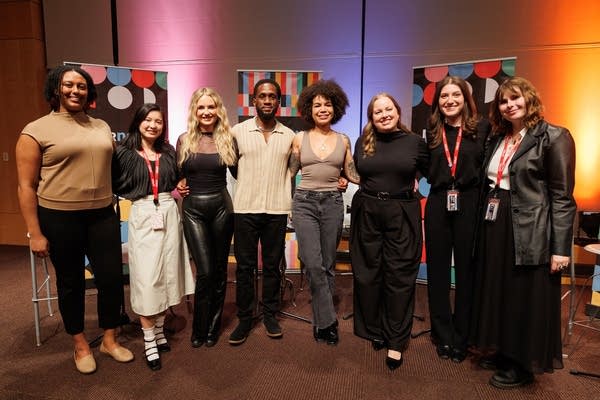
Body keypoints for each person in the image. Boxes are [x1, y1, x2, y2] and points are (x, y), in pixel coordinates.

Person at [15, 65, 134, 374]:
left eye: (81, 86)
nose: (75, 91)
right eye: (68, 85)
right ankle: (80, 344)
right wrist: (34, 233)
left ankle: (109, 338)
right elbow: (26, 186)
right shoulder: (35, 130)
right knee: (71, 283)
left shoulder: (101, 126)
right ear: (56, 88)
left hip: (102, 215)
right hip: (59, 217)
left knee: (110, 279)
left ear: (89, 92)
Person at [470, 77, 576, 389]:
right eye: (503, 101)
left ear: (529, 99)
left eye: (515, 98)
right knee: (500, 290)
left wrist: (560, 248)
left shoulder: (554, 136)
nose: (509, 105)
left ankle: (522, 364)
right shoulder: (498, 137)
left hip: (531, 228)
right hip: (496, 221)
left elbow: (562, 196)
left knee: (523, 295)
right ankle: (504, 350)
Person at [112, 103, 194, 371]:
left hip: (170, 212)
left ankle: (159, 331)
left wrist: (182, 186)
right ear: (138, 122)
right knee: (148, 278)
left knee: (169, 274)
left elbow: (178, 180)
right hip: (144, 212)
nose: (153, 125)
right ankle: (149, 341)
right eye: (148, 120)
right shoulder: (123, 153)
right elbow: (116, 183)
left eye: (158, 121)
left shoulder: (168, 151)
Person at [350, 93, 429, 370]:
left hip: (401, 213)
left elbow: (430, 170)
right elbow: (359, 172)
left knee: (399, 276)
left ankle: (396, 340)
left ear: (398, 111)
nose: (384, 114)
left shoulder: (415, 143)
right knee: (369, 272)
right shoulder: (363, 142)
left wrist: (415, 181)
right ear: (371, 117)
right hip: (368, 211)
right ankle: (375, 329)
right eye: (377, 111)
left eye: (388, 109)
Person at [424, 76, 490, 363]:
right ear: (437, 101)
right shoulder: (432, 130)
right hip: (439, 201)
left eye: (455, 95)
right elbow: (425, 167)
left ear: (465, 98)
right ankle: (442, 333)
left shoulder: (482, 128)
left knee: (467, 272)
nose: (449, 100)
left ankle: (462, 336)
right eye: (444, 96)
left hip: (469, 201)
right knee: (437, 272)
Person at [289, 80, 359, 345]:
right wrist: (286, 204)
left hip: (332, 203)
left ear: (335, 108)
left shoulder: (343, 140)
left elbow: (351, 173)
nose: (322, 109)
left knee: (328, 264)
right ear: (309, 109)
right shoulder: (300, 138)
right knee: (314, 263)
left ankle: (321, 324)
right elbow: (289, 173)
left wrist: (379, 180)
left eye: (327, 104)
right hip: (304, 203)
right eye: (317, 104)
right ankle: (329, 321)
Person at [227, 78, 296, 345]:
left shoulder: (289, 135)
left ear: (279, 102)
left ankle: (269, 314)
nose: (267, 101)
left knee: (271, 266)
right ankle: (245, 318)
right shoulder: (237, 132)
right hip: (245, 208)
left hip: (277, 209)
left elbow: (292, 170)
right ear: (253, 100)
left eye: (272, 97)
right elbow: (233, 167)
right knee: (244, 267)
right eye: (262, 96)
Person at [176, 88, 237, 349]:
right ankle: (198, 327)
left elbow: (243, 173)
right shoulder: (183, 140)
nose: (206, 112)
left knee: (220, 269)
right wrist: (178, 184)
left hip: (222, 207)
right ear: (194, 111)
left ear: (218, 110)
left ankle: (212, 327)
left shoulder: (228, 139)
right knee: (205, 271)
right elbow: (175, 174)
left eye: (211, 107)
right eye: (201, 108)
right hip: (193, 210)